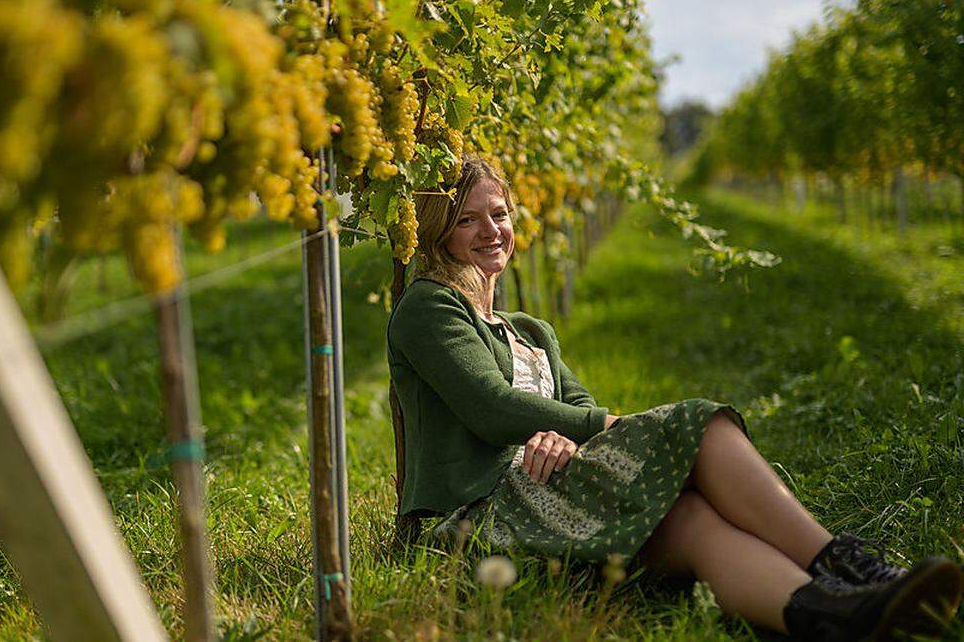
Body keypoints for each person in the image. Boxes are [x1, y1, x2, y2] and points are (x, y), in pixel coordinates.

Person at [385, 156, 963, 641]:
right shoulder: (430, 306)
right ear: (439, 233)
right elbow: (491, 408)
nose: (491, 231)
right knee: (700, 426)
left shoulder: (530, 331)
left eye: (499, 213)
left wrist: (565, 431)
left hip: (544, 496)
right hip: (475, 517)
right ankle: (847, 563)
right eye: (467, 220)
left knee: (686, 516)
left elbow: (576, 405)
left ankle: (840, 613)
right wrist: (598, 423)